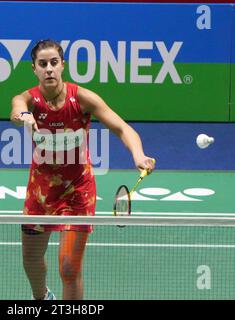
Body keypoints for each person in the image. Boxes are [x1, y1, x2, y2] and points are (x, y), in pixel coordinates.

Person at [10, 39, 155, 300]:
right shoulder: (30, 100)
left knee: (69, 268)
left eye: (54, 63)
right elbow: (17, 105)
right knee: (31, 260)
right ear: (34, 69)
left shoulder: (82, 99)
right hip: (41, 191)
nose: (49, 69)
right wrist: (24, 117)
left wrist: (138, 154)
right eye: (43, 64)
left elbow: (122, 128)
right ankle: (42, 297)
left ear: (62, 65)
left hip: (78, 191)